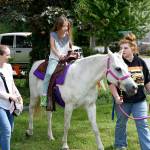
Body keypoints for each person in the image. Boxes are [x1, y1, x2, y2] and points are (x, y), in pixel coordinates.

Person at [109, 33, 150, 150]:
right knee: (121, 124)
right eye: (121, 48)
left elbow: (147, 81)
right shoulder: (119, 63)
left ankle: (146, 147)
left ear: (133, 48)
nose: (122, 50)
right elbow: (111, 83)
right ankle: (120, 145)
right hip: (123, 101)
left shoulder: (141, 62)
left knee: (143, 124)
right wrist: (116, 97)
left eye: (125, 48)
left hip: (140, 101)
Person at [40, 15, 73, 106]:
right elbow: (53, 47)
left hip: (66, 58)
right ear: (59, 26)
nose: (66, 28)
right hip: (54, 58)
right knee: (49, 74)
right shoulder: (53, 34)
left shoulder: (67, 35)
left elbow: (69, 47)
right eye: (64, 26)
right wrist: (59, 55)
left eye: (67, 26)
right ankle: (43, 98)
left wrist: (71, 52)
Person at [0, 45, 23, 150]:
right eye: (7, 55)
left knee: (10, 130)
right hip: (0, 105)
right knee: (7, 130)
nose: (9, 57)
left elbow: (12, 84)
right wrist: (10, 96)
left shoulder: (8, 67)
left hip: (10, 105)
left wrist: (18, 95)